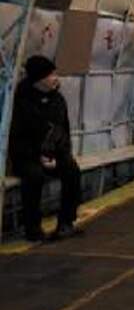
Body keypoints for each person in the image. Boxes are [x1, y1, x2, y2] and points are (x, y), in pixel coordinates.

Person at [9, 56, 82, 242]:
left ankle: (66, 222)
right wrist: (37, 156)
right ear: (39, 79)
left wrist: (59, 157)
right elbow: (16, 139)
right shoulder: (20, 102)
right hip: (26, 157)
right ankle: (32, 228)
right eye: (51, 74)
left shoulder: (58, 100)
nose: (55, 78)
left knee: (72, 169)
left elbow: (64, 133)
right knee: (34, 176)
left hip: (53, 155)